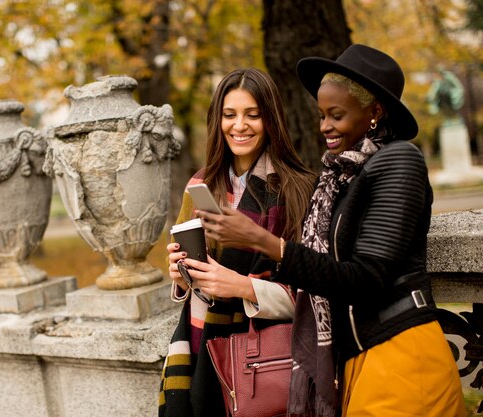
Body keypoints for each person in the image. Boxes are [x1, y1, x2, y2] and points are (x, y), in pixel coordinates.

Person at [190, 44, 467, 416]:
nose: (324, 127)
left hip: (400, 350)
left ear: (375, 113)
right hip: (356, 357)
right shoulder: (341, 177)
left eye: (335, 115)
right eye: (321, 115)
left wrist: (263, 242)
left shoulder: (400, 161)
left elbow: (368, 276)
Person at [158, 67, 316, 417]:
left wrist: (243, 287)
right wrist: (182, 275)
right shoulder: (200, 185)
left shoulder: (299, 190)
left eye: (252, 115)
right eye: (229, 115)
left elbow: (314, 294)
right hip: (201, 343)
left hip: (268, 355)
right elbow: (191, 280)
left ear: (270, 119)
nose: (239, 125)